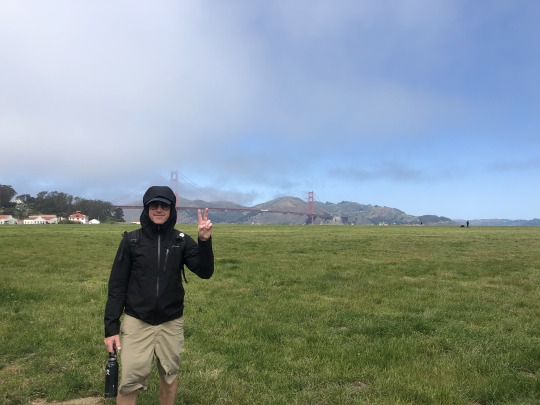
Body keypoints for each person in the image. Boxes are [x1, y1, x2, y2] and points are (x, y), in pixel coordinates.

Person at [104, 185, 214, 404]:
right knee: (129, 380)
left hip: (171, 321)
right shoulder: (131, 241)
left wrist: (204, 241)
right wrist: (111, 328)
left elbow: (205, 271)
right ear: (146, 209)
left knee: (169, 375)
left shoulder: (181, 240)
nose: (159, 209)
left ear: (172, 209)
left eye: (165, 205)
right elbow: (117, 286)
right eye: (154, 205)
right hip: (137, 320)